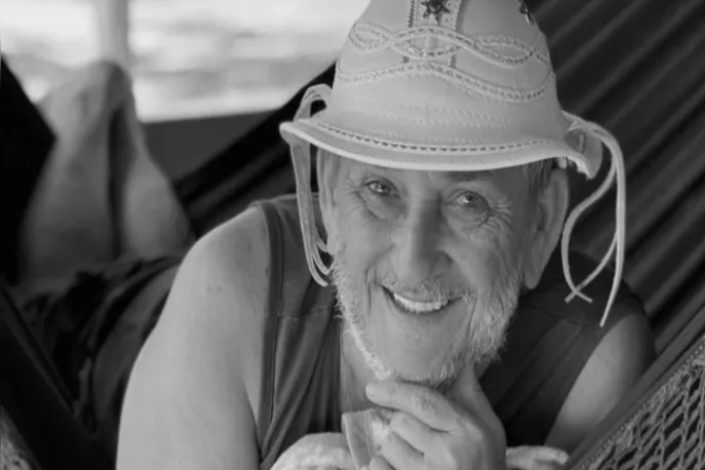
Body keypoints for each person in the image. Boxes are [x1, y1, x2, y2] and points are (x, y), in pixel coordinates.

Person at [5, 0, 655, 469]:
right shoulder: (226, 289)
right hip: (116, 337)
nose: (414, 258)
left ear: (541, 224)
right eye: (381, 190)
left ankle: (114, 124)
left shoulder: (594, 363)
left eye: (468, 201)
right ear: (325, 198)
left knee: (161, 241)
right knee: (57, 284)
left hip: (219, 298)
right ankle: (97, 103)